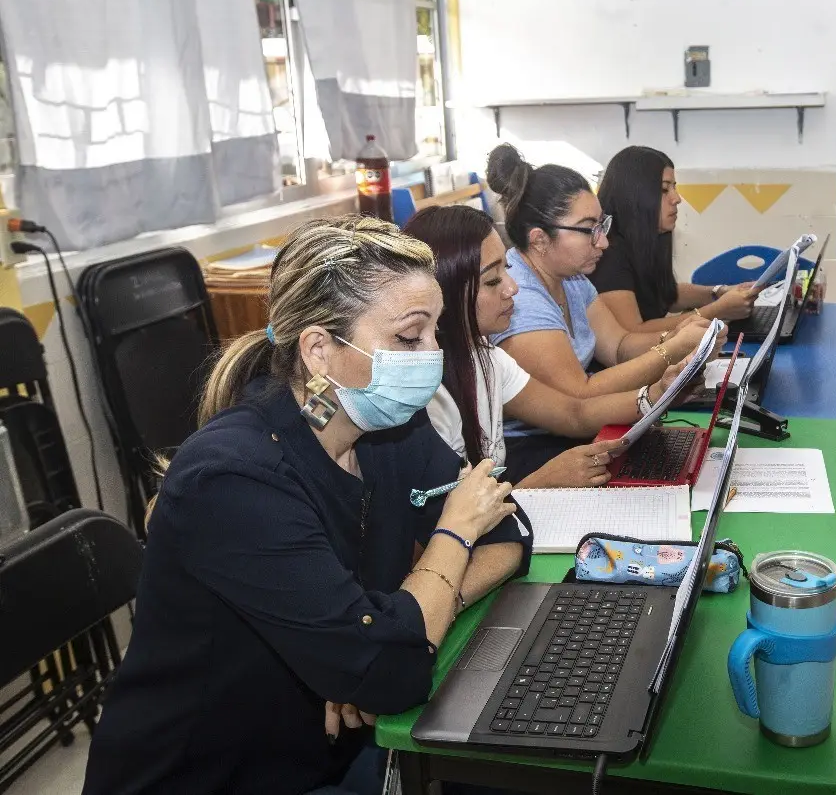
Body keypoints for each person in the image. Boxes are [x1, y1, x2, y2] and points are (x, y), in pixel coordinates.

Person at [82, 216, 531, 795]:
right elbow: (393, 673)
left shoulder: (390, 427)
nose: (432, 355)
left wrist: (393, 626)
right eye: (408, 337)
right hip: (209, 776)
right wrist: (452, 535)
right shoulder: (232, 479)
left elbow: (511, 532)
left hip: (326, 750)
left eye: (435, 333)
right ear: (319, 350)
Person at [403, 205, 693, 488]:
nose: (513, 288)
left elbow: (573, 413)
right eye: (493, 280)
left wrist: (655, 395)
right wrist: (539, 482)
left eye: (508, 269)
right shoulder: (426, 397)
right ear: (443, 293)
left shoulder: (487, 358)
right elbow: (439, 527)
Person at [484, 144, 723, 477]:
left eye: (602, 226)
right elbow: (578, 397)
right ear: (539, 240)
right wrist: (672, 349)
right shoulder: (520, 298)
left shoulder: (571, 277)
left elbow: (620, 346)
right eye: (588, 230)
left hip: (578, 431)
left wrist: (681, 334)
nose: (603, 242)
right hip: (533, 453)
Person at [590, 145, 757, 332]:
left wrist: (719, 292)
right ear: (634, 196)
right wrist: (718, 310)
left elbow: (667, 293)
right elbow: (633, 334)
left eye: (674, 188)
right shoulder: (606, 254)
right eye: (664, 190)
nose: (677, 198)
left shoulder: (643, 241)